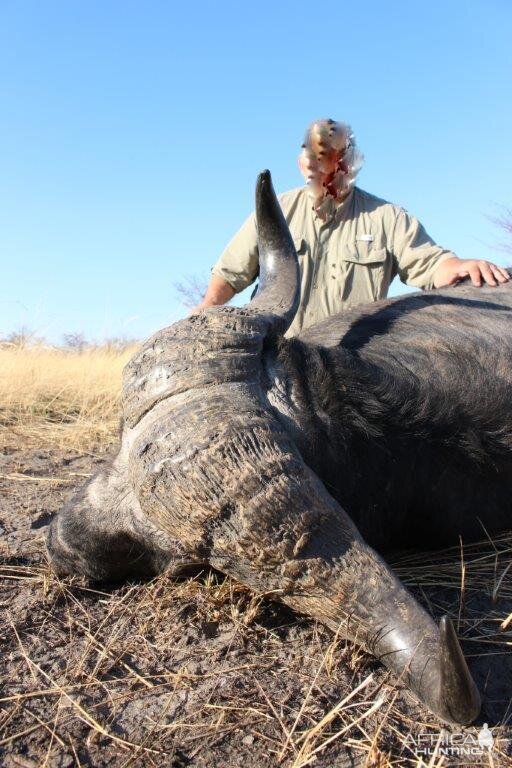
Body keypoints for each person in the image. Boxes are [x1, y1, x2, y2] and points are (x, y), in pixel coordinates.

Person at [194, 119, 509, 337]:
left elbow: (431, 265)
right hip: (282, 358)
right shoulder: (278, 211)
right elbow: (230, 273)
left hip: (351, 366)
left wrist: (460, 266)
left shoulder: (387, 217)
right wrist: (204, 314)